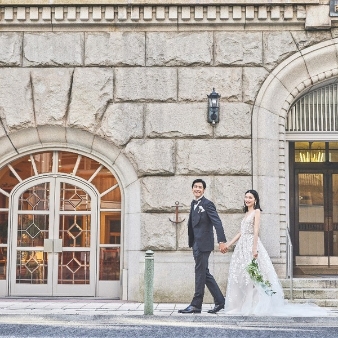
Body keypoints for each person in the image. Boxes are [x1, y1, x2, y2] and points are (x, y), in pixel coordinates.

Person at [224, 189, 328, 316]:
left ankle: (257, 305)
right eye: (246, 197)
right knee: (245, 276)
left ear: (255, 200)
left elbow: (256, 230)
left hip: (251, 244)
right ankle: (245, 304)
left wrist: (254, 248)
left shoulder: (256, 212)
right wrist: (229, 244)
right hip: (242, 247)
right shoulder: (246, 213)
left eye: (250, 197)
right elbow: (241, 232)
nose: (247, 199)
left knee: (255, 275)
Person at [178, 178, 227, 314]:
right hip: (196, 244)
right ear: (192, 189)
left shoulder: (208, 204)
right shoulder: (193, 204)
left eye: (200, 187)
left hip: (204, 244)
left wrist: (221, 241)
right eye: (195, 187)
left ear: (204, 190)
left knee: (200, 273)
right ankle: (220, 301)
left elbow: (217, 222)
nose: (197, 189)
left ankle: (196, 304)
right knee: (204, 273)